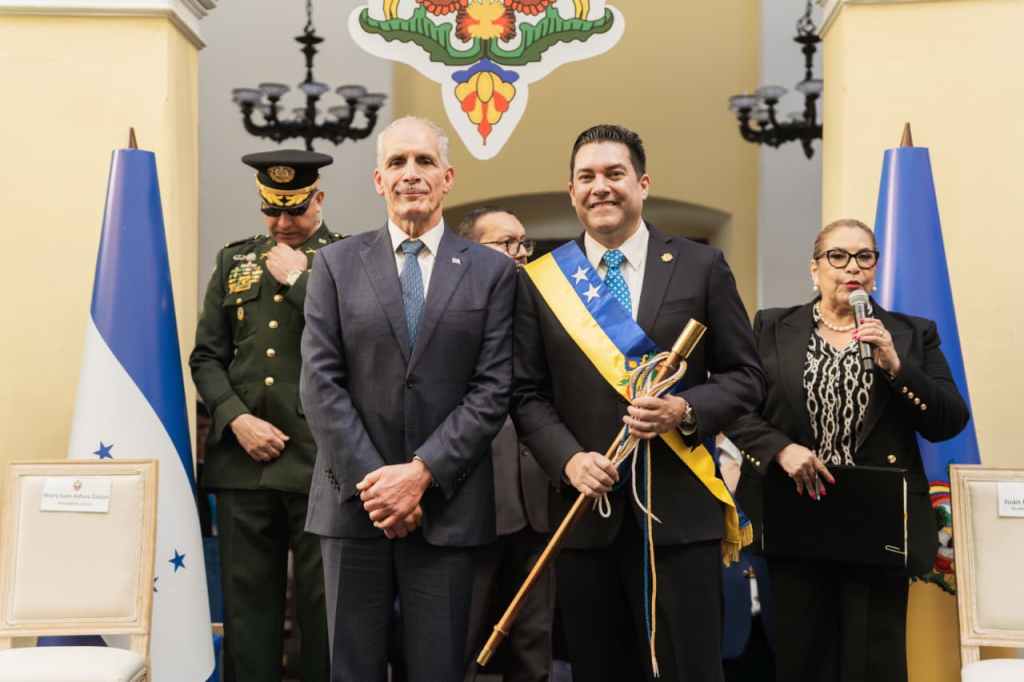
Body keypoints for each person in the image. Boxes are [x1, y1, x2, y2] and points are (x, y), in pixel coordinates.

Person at [513, 124, 766, 682]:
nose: (600, 187)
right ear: (571, 190)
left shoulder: (701, 266)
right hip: (588, 516)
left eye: (614, 174)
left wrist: (685, 410)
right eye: (587, 177)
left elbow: (747, 377)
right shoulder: (540, 282)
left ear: (643, 183)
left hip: (681, 513)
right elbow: (526, 394)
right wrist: (569, 459)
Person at [300, 116, 516, 682]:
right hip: (354, 509)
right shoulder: (335, 265)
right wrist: (380, 486)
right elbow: (320, 384)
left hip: (448, 508)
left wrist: (419, 475)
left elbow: (493, 389)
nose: (410, 174)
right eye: (397, 163)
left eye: (423, 162)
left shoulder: (492, 272)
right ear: (378, 180)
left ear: (447, 177)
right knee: (352, 671)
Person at [726, 218, 970, 682]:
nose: (851, 267)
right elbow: (736, 409)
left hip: (876, 519)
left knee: (874, 662)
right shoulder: (772, 327)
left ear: (875, 268)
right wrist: (779, 449)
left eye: (864, 256)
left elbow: (949, 421)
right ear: (814, 270)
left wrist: (897, 367)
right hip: (794, 510)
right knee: (803, 657)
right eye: (837, 256)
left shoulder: (911, 334)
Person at [189, 149, 339, 682]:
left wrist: (303, 280)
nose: (282, 224)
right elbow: (207, 356)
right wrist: (235, 419)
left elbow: (359, 344)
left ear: (318, 199)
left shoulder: (346, 259)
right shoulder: (235, 261)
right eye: (272, 211)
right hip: (244, 465)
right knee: (248, 612)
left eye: (295, 210)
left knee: (327, 615)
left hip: (322, 464)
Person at [456, 207, 554, 682]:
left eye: (523, 244)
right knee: (464, 646)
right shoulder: (452, 315)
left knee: (533, 648)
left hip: (537, 505)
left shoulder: (545, 311)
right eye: (505, 244)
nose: (518, 254)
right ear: (472, 253)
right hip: (473, 504)